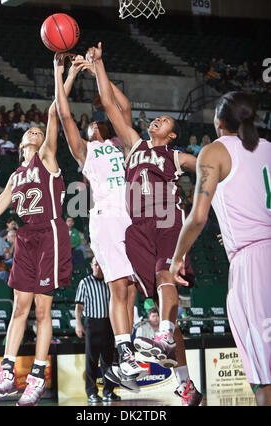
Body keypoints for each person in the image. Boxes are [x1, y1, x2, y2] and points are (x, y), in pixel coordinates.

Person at [87, 41, 202, 406]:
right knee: (160, 301)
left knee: (166, 277)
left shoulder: (174, 154)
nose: (157, 121)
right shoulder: (135, 145)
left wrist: (208, 191)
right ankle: (186, 386)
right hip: (138, 229)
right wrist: (99, 66)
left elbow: (208, 168)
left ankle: (164, 334)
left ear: (171, 135)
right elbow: (111, 105)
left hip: (168, 218)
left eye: (165, 121)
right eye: (157, 118)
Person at [0, 54, 74, 407]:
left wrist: (62, 71)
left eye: (39, 131)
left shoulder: (46, 158)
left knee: (43, 312)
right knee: (19, 309)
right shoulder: (15, 177)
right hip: (27, 238)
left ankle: (36, 377)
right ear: (20, 145)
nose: (35, 130)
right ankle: (6, 373)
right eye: (30, 132)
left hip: (50, 233)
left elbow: (52, 113)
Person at [169, 91, 271, 407]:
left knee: (264, 374)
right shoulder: (268, 148)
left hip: (252, 264)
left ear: (218, 121)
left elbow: (198, 216)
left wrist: (177, 258)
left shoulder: (213, 151)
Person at [54, 53, 147, 391]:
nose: (91, 124)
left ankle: (127, 351)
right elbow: (64, 114)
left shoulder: (122, 145)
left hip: (131, 218)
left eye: (95, 123)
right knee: (118, 285)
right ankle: (123, 350)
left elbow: (122, 108)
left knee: (133, 286)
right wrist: (61, 72)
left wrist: (98, 68)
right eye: (89, 125)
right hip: (106, 218)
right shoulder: (86, 152)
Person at [75, 257, 121, 403]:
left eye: (100, 265)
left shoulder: (109, 282)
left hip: (108, 323)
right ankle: (91, 393)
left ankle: (108, 391)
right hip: (92, 324)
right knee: (92, 361)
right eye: (96, 265)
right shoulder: (85, 282)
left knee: (108, 360)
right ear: (91, 266)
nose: (98, 268)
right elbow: (79, 306)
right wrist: (78, 324)